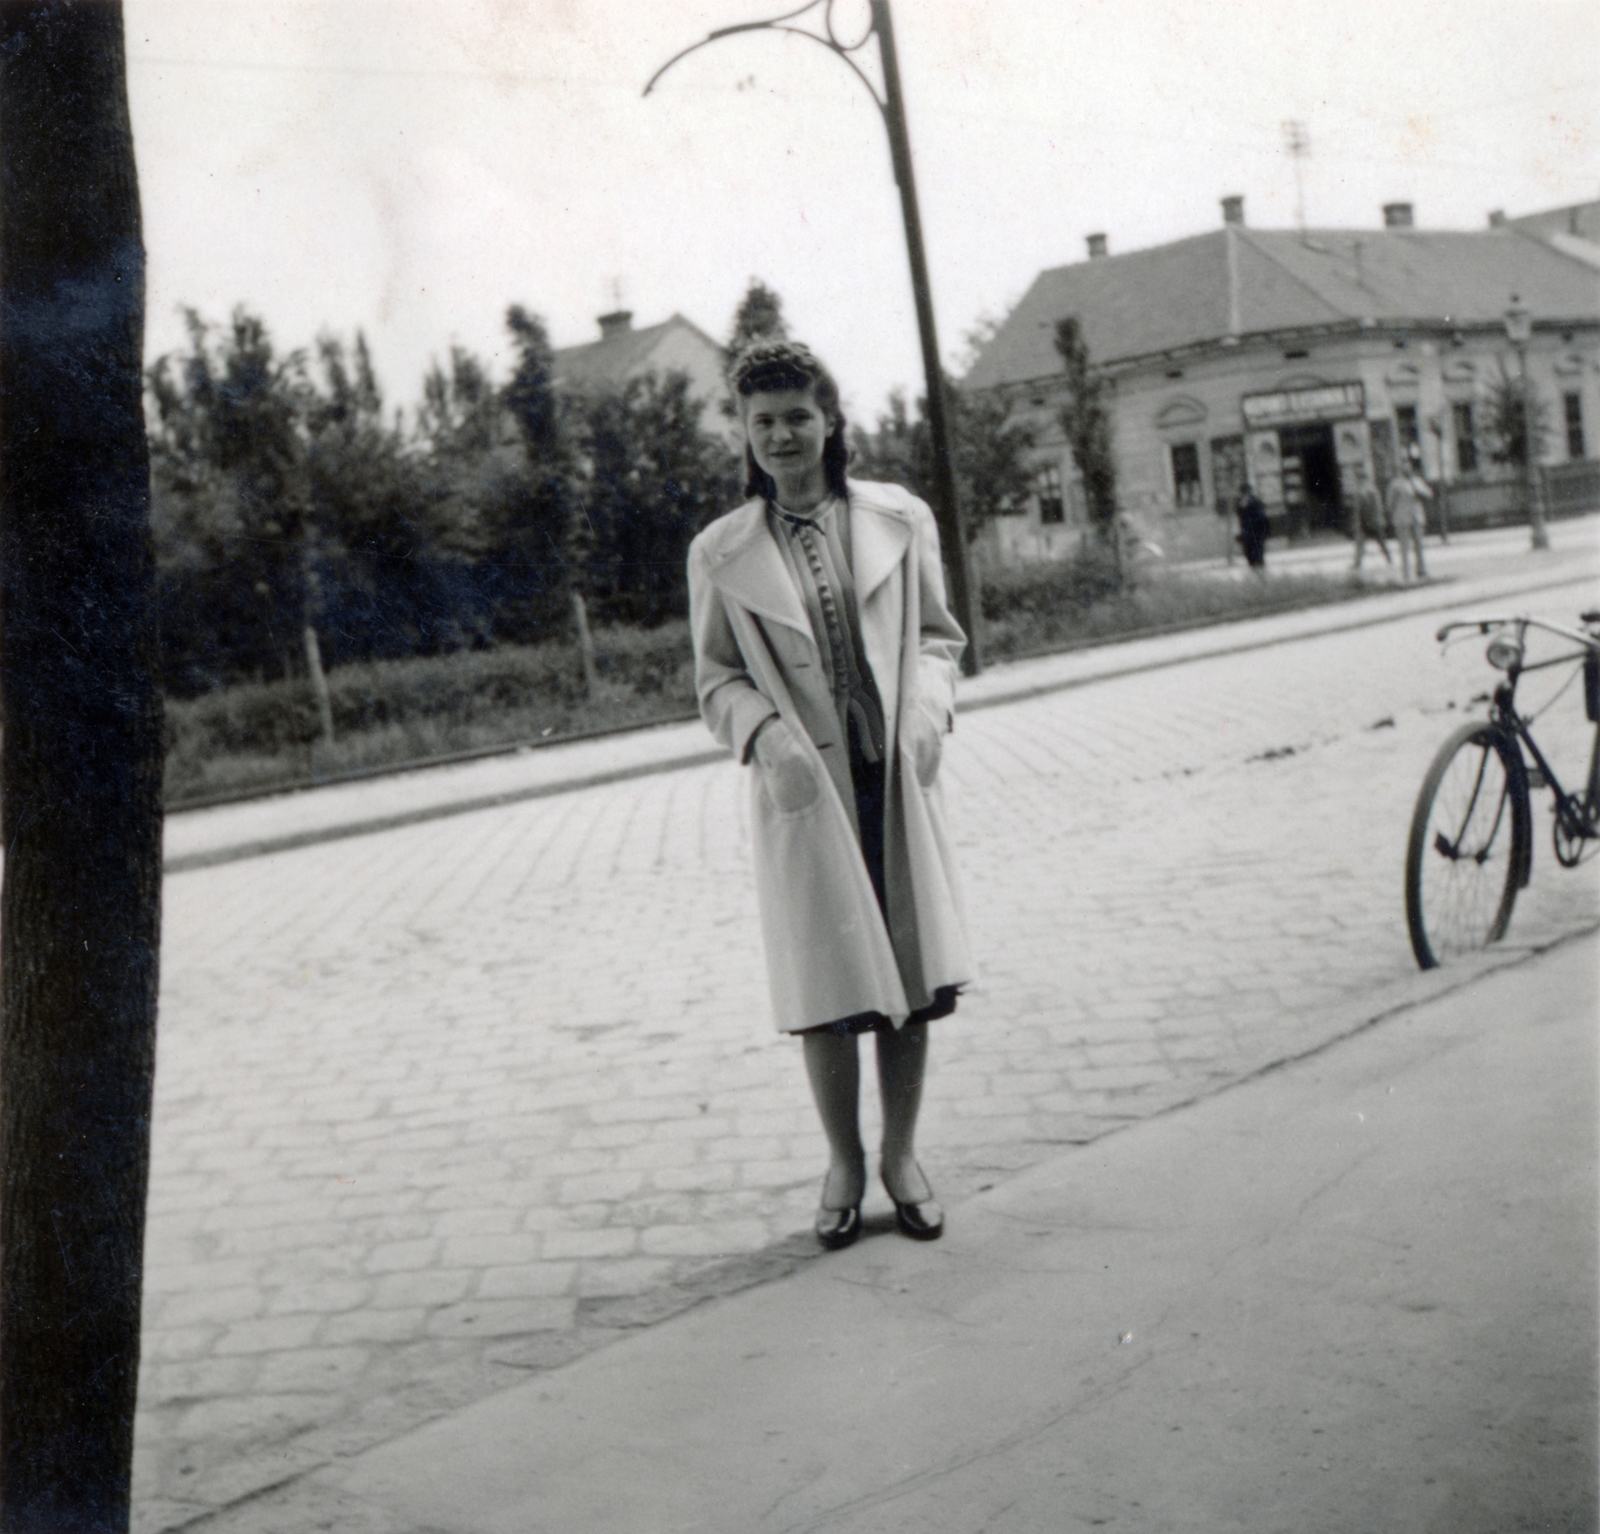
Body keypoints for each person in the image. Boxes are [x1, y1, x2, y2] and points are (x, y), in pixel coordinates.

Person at [687, 340, 971, 1252]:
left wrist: (925, 717)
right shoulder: (721, 552)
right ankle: (843, 1162)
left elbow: (936, 638)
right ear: (743, 431)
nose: (780, 436)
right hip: (807, 792)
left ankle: (903, 1159)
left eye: (796, 417)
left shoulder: (897, 518)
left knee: (910, 977)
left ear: (831, 419)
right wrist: (768, 741)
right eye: (761, 421)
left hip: (892, 776)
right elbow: (715, 681)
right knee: (827, 985)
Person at [1386, 449, 1432, 584]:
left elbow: (1428, 494)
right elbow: (1390, 504)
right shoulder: (1395, 484)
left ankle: (1421, 570)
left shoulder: (1417, 481)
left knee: (1419, 546)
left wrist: (1414, 484)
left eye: (1407, 462)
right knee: (1404, 547)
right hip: (1402, 519)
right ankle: (1406, 574)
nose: (1406, 466)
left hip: (1416, 517)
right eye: (1403, 463)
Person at [1346, 461, 1392, 571]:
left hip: (1366, 522)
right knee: (1380, 542)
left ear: (1360, 478)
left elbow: (1359, 509)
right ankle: (1389, 559)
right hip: (1374, 521)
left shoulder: (1361, 491)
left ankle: (1358, 563)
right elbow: (1378, 506)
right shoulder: (1373, 489)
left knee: (1362, 544)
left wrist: (1356, 522)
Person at [1236, 483, 1268, 572]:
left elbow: (1261, 517)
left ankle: (1260, 573)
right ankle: (1257, 572)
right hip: (1249, 532)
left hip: (1254, 532)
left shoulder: (1254, 502)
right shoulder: (1241, 503)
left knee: (1256, 554)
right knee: (1251, 554)